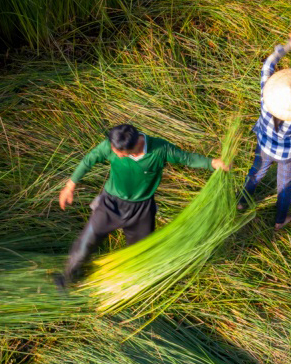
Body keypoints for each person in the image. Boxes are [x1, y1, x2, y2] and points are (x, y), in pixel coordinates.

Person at [56, 123, 226, 287]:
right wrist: (70, 186)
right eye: (113, 149)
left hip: (141, 210)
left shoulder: (160, 149)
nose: (114, 152)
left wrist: (212, 163)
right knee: (86, 242)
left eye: (118, 151)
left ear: (135, 145)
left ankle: (128, 285)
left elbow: (186, 158)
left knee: (140, 253)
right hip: (110, 204)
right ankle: (68, 278)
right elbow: (89, 159)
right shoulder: (111, 145)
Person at [238, 34, 291, 229]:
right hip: (287, 155)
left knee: (256, 172)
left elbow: (267, 65)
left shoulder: (265, 94)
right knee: (284, 186)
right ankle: (280, 220)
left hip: (264, 145)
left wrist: (288, 46)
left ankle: (241, 201)